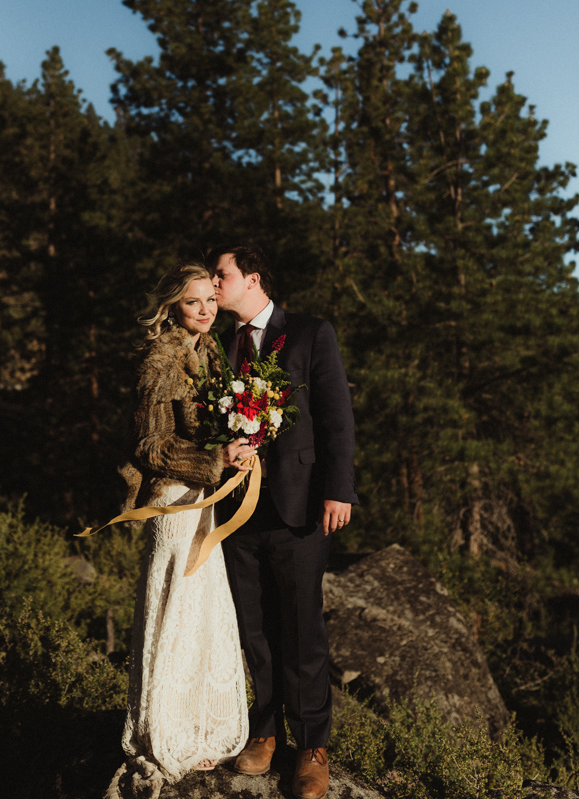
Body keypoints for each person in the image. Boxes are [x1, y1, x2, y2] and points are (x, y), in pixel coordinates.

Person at [208, 244, 356, 799]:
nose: (214, 285)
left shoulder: (312, 332)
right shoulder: (216, 345)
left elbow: (337, 418)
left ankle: (312, 747)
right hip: (235, 509)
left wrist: (338, 490)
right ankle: (265, 734)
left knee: (302, 630)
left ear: (252, 278)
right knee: (254, 627)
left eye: (221, 275)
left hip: (298, 508)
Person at [109, 263, 254, 799]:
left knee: (203, 603)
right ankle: (166, 730)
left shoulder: (208, 354)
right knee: (177, 601)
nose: (206, 309)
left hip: (203, 500)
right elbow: (150, 448)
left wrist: (241, 441)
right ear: (173, 306)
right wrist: (218, 457)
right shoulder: (161, 361)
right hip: (172, 502)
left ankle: (200, 726)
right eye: (194, 302)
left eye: (210, 300)